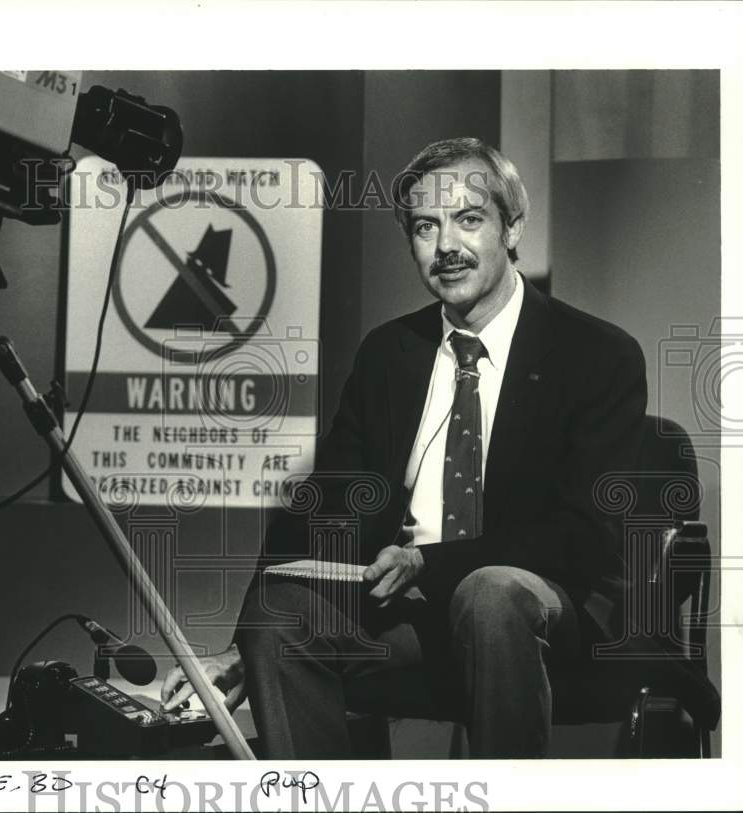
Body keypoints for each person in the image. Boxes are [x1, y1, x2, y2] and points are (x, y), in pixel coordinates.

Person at [160, 137, 647, 758]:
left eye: (469, 220)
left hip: (545, 613)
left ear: (512, 226)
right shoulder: (390, 354)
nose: (446, 246)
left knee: (491, 593)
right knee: (279, 614)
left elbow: (585, 535)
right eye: (425, 226)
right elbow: (324, 504)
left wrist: (429, 563)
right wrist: (236, 651)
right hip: (411, 621)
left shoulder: (595, 354)